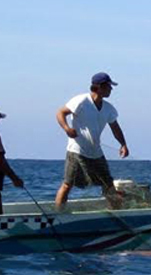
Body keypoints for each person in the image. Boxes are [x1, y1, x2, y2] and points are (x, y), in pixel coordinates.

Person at [55, 72, 130, 210]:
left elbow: (115, 127)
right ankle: (58, 214)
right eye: (109, 86)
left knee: (108, 184)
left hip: (96, 152)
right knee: (68, 184)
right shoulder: (81, 101)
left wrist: (123, 144)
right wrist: (67, 128)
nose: (111, 90)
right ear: (99, 87)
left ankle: (115, 212)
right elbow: (60, 113)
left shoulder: (108, 108)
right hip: (77, 150)